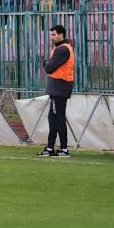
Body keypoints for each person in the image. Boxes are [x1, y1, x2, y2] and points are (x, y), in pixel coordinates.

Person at [37, 25, 74, 157]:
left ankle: (63, 149)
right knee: (54, 117)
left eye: (54, 35)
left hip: (60, 86)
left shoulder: (63, 49)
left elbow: (49, 67)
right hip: (58, 86)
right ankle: (50, 148)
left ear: (61, 34)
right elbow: (49, 64)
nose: (51, 37)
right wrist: (48, 62)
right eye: (51, 34)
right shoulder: (60, 48)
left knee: (58, 118)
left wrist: (47, 62)